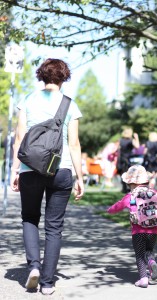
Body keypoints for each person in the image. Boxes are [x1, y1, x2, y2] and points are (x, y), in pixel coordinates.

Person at [10, 58, 84, 295]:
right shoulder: (70, 105)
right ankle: (48, 282)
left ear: (41, 76)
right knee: (54, 228)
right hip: (60, 170)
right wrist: (80, 177)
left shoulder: (28, 100)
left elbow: (19, 139)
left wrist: (14, 170)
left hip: (30, 169)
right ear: (64, 77)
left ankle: (34, 267)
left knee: (30, 218)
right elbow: (74, 144)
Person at [107, 165, 157, 288]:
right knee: (149, 251)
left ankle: (143, 279)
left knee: (139, 255)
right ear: (146, 181)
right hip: (153, 232)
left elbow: (118, 206)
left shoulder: (131, 196)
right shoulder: (154, 193)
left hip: (138, 232)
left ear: (131, 183)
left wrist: (109, 210)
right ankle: (152, 262)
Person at [116, 127, 140, 192]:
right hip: (128, 159)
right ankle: (128, 188)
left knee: (123, 173)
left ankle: (124, 187)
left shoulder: (120, 140)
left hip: (121, 158)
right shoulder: (131, 140)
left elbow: (117, 149)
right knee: (129, 174)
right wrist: (136, 138)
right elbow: (137, 146)